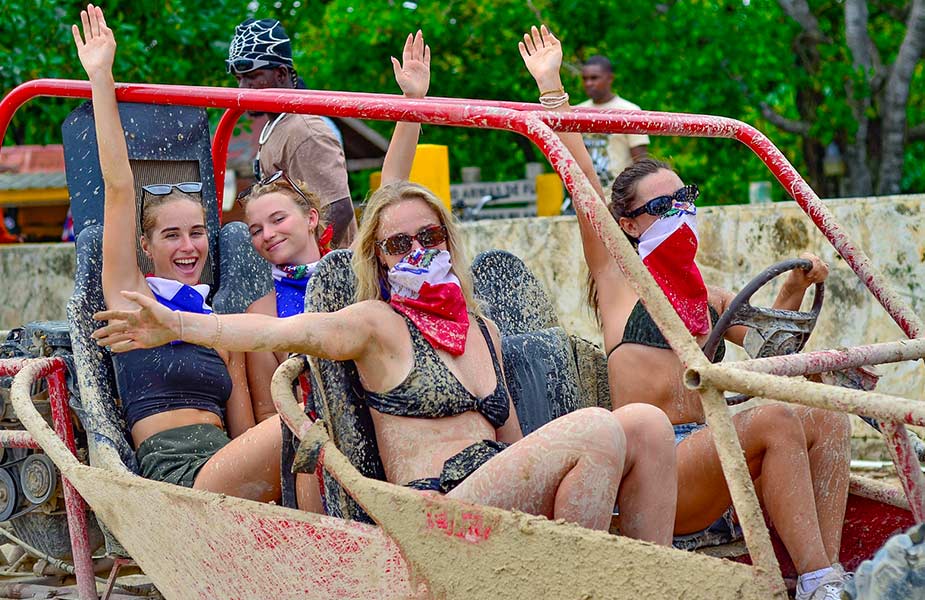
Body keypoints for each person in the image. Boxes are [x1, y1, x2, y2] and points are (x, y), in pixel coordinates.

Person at [93, 161, 678, 539]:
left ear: (449, 237)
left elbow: (515, 446)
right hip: (430, 512)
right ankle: (583, 582)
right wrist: (177, 324)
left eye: (430, 236)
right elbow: (275, 334)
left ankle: (640, 577)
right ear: (379, 259)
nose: (418, 251)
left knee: (647, 425)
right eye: (399, 244)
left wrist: (554, 482)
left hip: (496, 493)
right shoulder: (375, 323)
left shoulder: (484, 331)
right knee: (600, 428)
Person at [519, 25, 852, 600]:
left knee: (828, 414)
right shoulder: (620, 278)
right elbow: (583, 184)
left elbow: (775, 351)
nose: (682, 212)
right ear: (628, 223)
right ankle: (820, 582)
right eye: (664, 206)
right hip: (659, 467)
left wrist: (797, 286)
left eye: (687, 199)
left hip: (714, 451)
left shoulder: (708, 297)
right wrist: (553, 89)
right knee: (773, 417)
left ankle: (824, 573)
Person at [72, 4, 284, 502]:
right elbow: (120, 187)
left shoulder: (215, 325)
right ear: (145, 247)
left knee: (302, 426)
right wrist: (101, 77)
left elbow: (247, 431)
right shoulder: (132, 300)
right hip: (178, 481)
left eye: (196, 232)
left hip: (230, 475)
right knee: (305, 423)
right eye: (171, 235)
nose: (188, 247)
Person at [239, 30, 432, 425]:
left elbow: (386, 189)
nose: (268, 234)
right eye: (255, 229)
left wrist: (412, 103)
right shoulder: (262, 309)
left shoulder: (354, 278)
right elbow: (266, 412)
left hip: (377, 406)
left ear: (311, 217)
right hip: (311, 430)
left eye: (278, 219)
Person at [226, 18, 357, 248]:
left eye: (252, 77)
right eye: (239, 79)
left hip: (324, 276)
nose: (243, 88)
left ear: (281, 73)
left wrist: (308, 269)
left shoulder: (305, 130)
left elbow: (339, 209)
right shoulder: (278, 125)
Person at [577, 55, 649, 191]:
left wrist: (634, 195)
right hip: (588, 195)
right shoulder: (576, 112)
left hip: (619, 197)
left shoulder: (629, 111)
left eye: (594, 78)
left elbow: (641, 161)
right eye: (585, 79)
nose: (588, 83)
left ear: (610, 78)